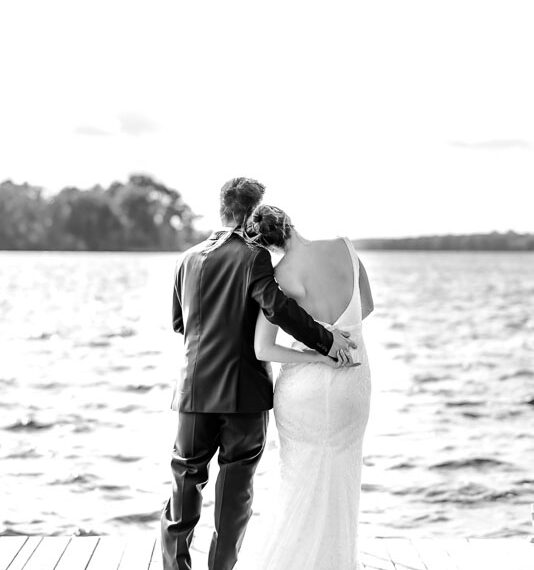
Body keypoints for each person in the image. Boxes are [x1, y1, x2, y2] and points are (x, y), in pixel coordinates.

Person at [160, 178, 357, 570]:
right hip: (243, 396)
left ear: (222, 209)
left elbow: (180, 324)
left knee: (184, 489)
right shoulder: (255, 258)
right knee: (233, 500)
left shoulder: (187, 258)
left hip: (193, 394)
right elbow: (278, 308)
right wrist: (326, 341)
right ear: (253, 212)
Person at [242, 204, 374, 570]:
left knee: (301, 479)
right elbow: (368, 307)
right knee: (343, 474)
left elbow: (262, 348)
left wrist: (317, 354)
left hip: (306, 389)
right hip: (355, 380)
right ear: (289, 221)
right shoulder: (345, 248)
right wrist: (339, 331)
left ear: (264, 243)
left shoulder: (281, 277)